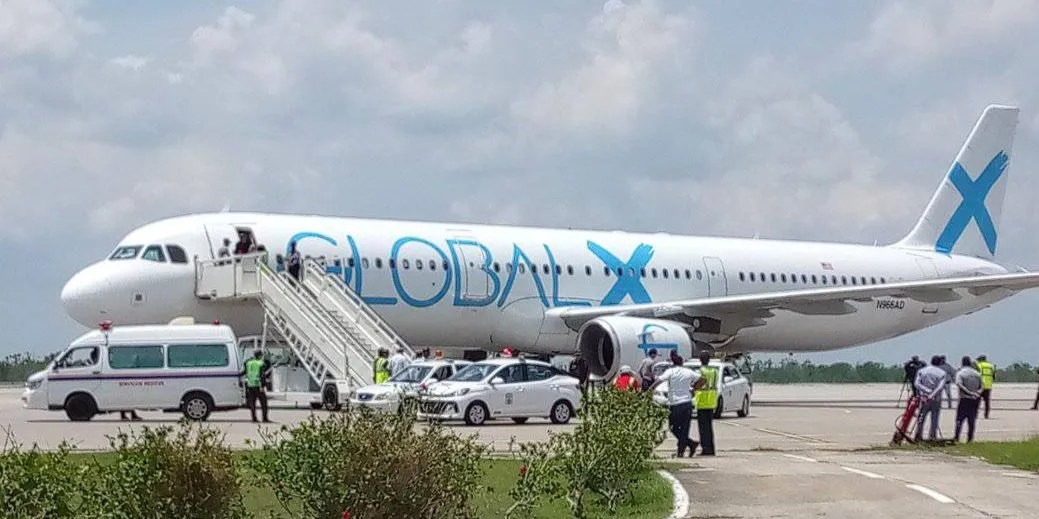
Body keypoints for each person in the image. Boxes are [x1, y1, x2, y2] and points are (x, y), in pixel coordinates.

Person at [650, 355, 700, 457]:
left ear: (673, 363)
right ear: (682, 363)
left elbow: (659, 380)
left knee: (673, 427)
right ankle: (689, 444)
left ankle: (682, 450)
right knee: (685, 428)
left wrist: (650, 389)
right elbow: (702, 379)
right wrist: (694, 388)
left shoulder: (671, 371)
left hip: (675, 403)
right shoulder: (688, 371)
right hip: (687, 403)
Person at [913, 355, 947, 442]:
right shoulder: (942, 373)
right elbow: (940, 387)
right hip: (936, 399)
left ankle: (918, 435)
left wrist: (926, 392)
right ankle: (932, 436)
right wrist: (931, 395)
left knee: (921, 417)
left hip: (924, 398)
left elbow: (917, 384)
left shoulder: (922, 371)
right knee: (934, 418)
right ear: (939, 363)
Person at [693, 351, 718, 456]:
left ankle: (706, 448)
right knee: (709, 427)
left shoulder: (700, 371)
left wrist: (693, 389)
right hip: (711, 400)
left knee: (703, 428)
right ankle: (711, 448)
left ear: (700, 360)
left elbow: (698, 384)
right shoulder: (714, 371)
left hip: (702, 401)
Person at [954, 356, 982, 443]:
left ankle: (956, 437)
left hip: (964, 399)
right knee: (972, 420)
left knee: (959, 420)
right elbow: (982, 386)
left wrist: (969, 392)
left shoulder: (961, 373)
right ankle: (970, 438)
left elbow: (959, 384)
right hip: (975, 399)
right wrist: (977, 393)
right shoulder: (977, 374)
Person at [241, 350, 271, 423]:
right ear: (260, 355)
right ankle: (264, 418)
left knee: (252, 403)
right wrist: (263, 386)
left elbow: (244, 372)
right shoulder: (261, 363)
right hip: (258, 385)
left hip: (250, 385)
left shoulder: (248, 362)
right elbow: (262, 375)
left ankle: (254, 418)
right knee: (264, 403)